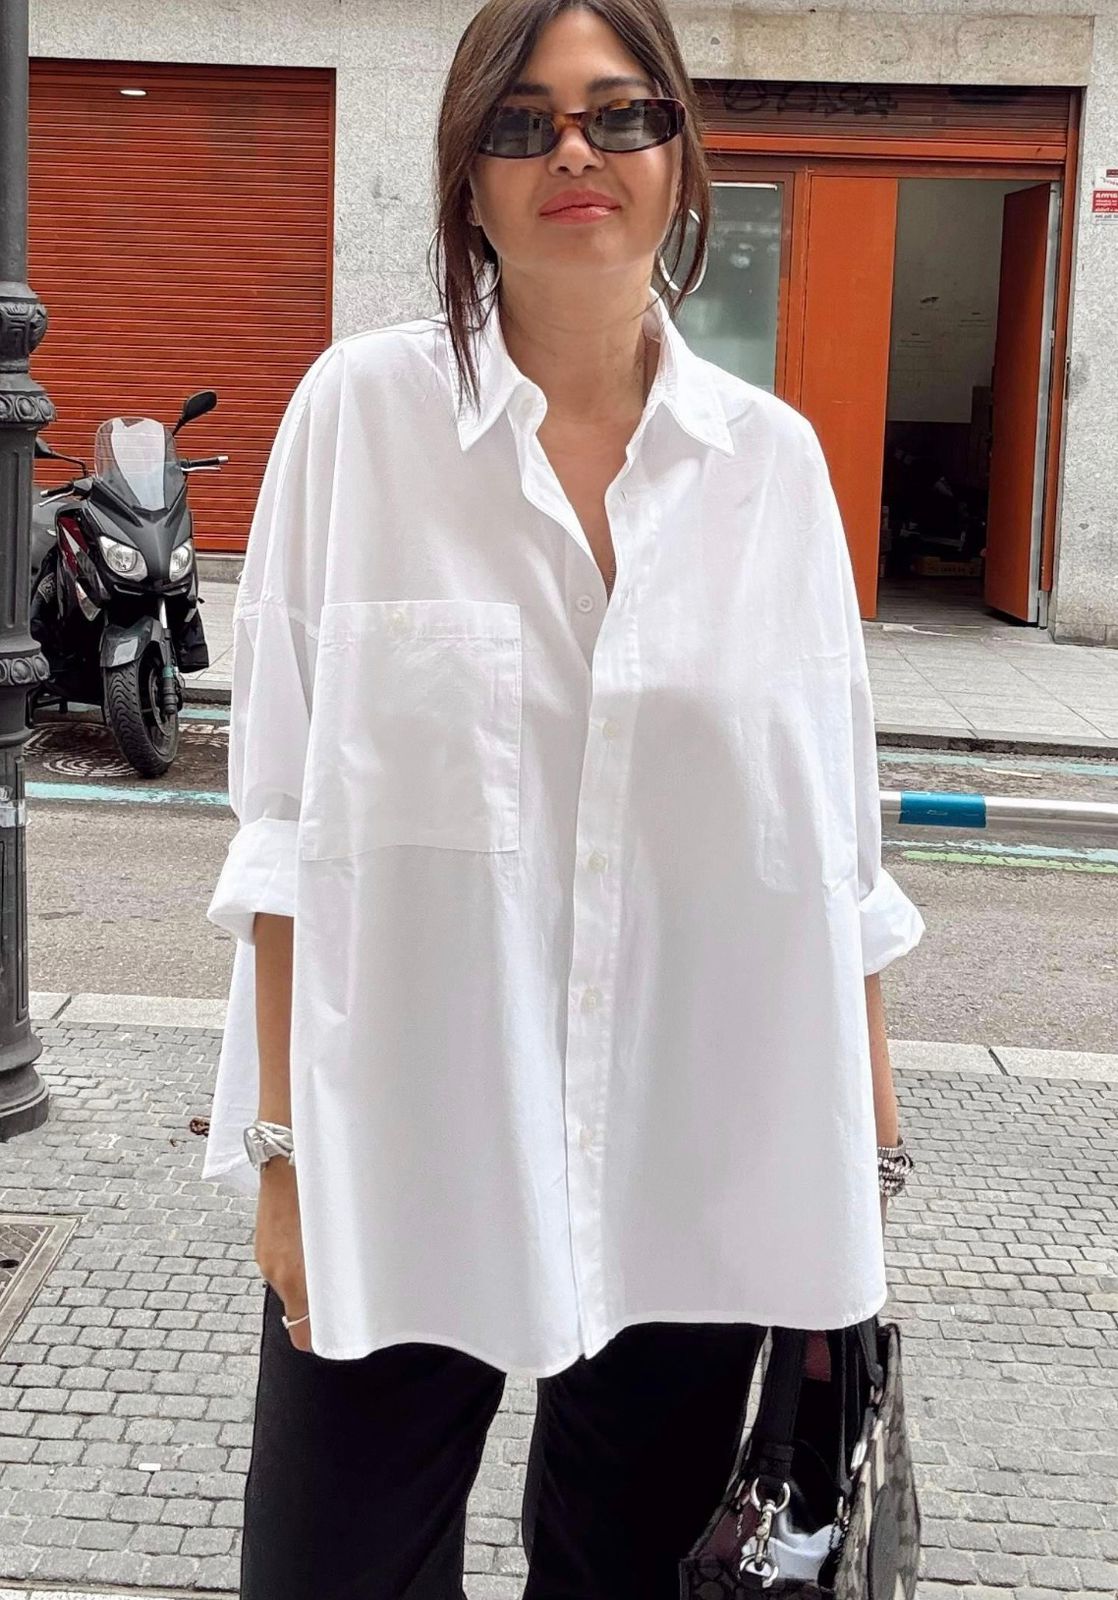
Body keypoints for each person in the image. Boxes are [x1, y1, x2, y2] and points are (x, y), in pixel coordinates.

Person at [203, 1, 925, 1595]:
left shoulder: (769, 466)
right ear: (467, 179)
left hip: (693, 1138)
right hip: (407, 1131)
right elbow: (285, 828)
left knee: (622, 1572)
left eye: (619, 112)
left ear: (680, 155)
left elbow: (831, 836)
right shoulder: (358, 422)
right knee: (329, 1569)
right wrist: (283, 1165)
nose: (574, 151)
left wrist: (861, 1160)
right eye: (521, 123)